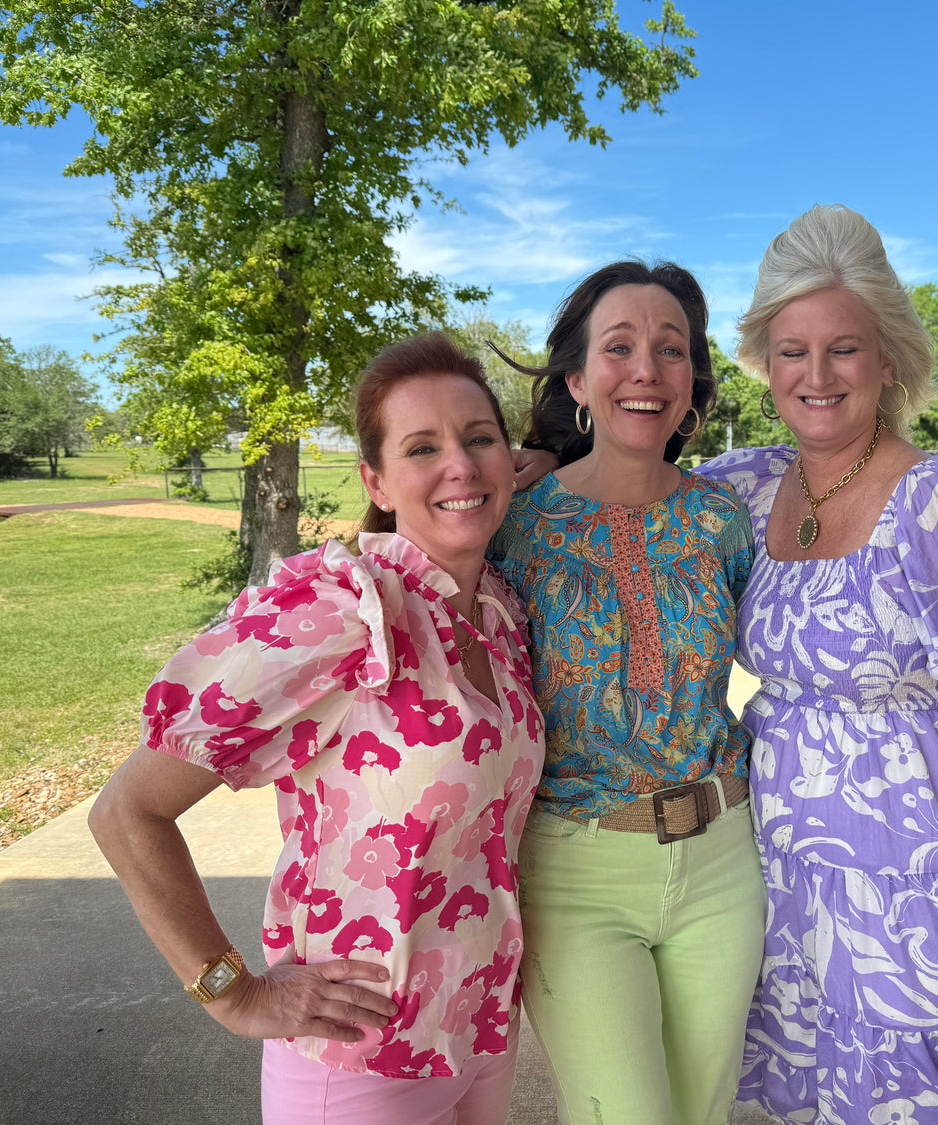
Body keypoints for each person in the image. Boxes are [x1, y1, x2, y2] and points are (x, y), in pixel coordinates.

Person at [89, 332, 545, 1125]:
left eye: (480, 440)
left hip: (478, 1033)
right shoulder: (341, 611)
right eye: (423, 447)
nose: (461, 466)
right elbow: (127, 812)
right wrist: (232, 992)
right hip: (361, 1058)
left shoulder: (499, 616)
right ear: (376, 478)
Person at [699, 205, 938, 1124]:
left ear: (888, 357)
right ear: (764, 359)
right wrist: (523, 460)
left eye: (845, 348)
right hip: (782, 886)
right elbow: (618, 493)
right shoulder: (744, 489)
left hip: (921, 894)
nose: (817, 375)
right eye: (792, 350)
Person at [487, 261, 766, 1125]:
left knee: (700, 1112)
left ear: (692, 385)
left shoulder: (724, 517)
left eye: (670, 350)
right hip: (577, 867)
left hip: (723, 856)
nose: (646, 368)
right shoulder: (517, 522)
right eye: (620, 347)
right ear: (578, 380)